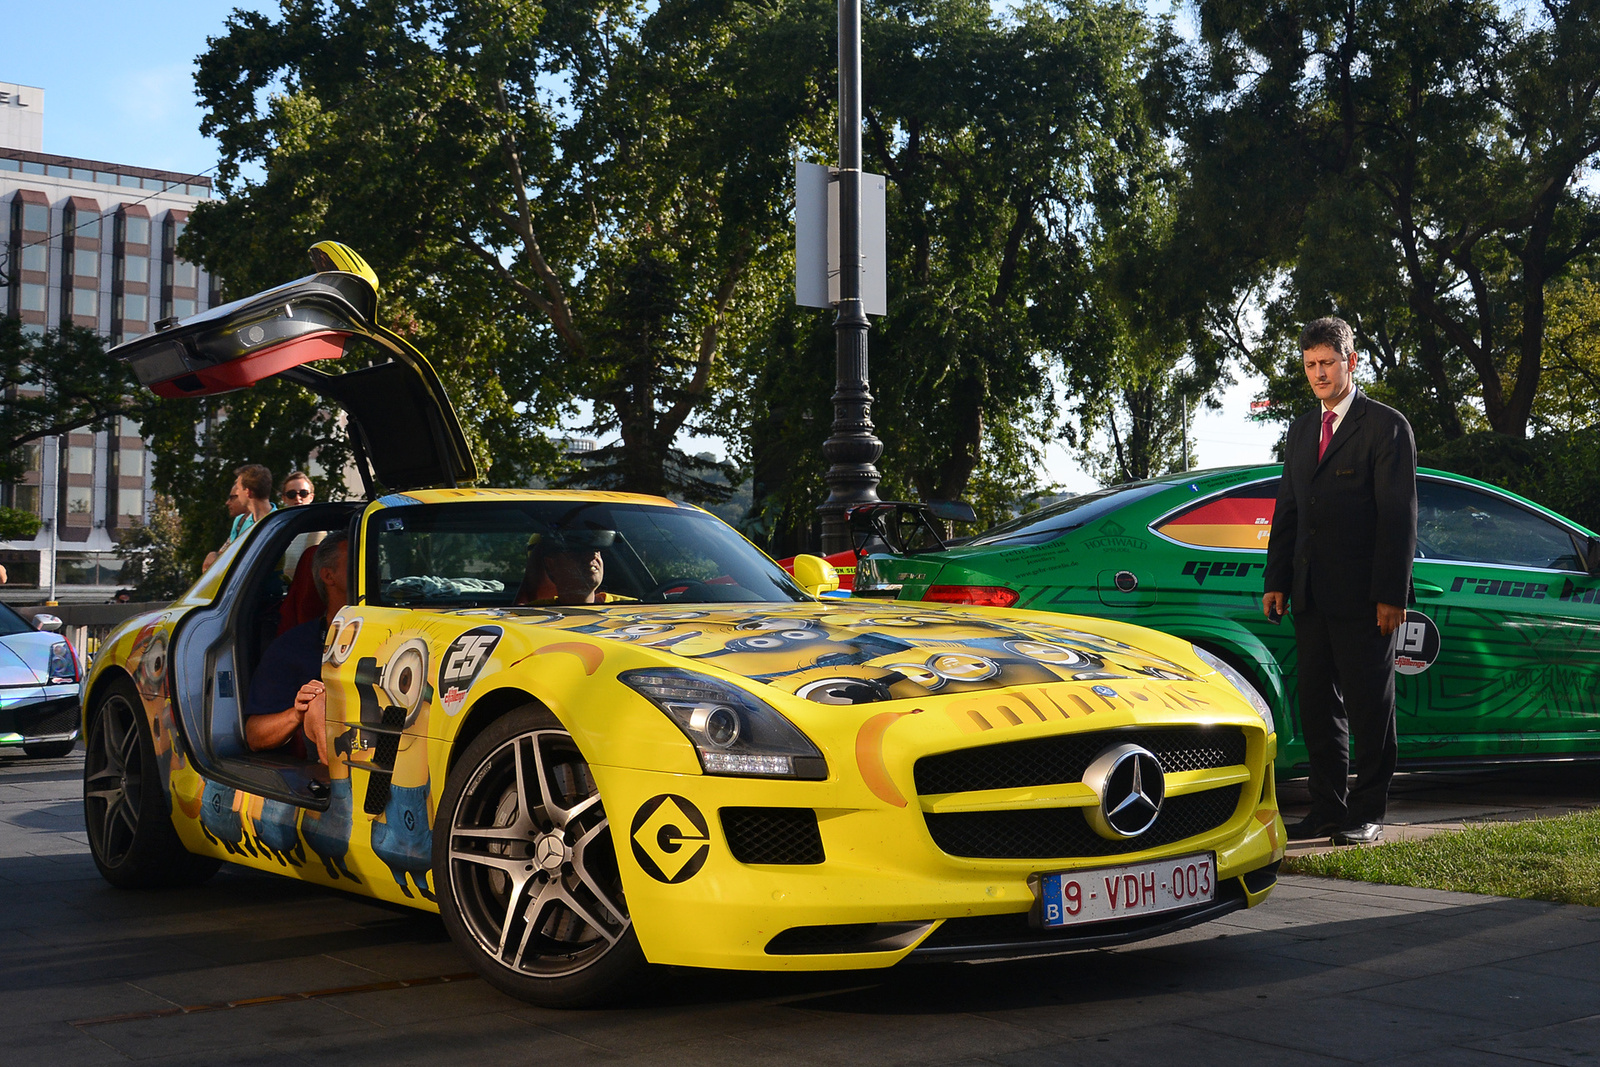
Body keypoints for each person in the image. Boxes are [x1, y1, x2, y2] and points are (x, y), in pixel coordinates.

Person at [1263, 317, 1417, 847]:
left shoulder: (1386, 427)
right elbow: (1288, 510)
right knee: (1317, 706)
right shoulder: (1302, 430)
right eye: (1310, 365)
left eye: (1328, 362)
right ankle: (1328, 808)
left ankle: (1368, 811)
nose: (1319, 373)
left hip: (1368, 600)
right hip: (1309, 595)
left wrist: (1391, 596)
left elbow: (1398, 518)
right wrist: (1276, 579)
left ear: (1352, 362)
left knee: (1371, 707)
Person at [244, 531, 348, 764]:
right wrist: (297, 713)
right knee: (319, 701)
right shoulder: (293, 646)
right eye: (356, 562)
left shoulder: (399, 635)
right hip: (324, 775)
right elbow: (254, 735)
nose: (370, 570)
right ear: (328, 575)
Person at [514, 529, 615, 605]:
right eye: (578, 550)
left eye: (597, 550)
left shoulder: (628, 609)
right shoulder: (527, 617)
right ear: (551, 565)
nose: (592, 556)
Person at [203, 464, 275, 570]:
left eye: (238, 488)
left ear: (248, 492)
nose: (236, 492)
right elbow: (227, 557)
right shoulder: (239, 522)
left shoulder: (278, 523)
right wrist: (214, 556)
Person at [277, 470, 324, 580]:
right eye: (291, 494)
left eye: (303, 493)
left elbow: (310, 567)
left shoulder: (317, 528)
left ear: (311, 497)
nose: (298, 498)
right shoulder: (278, 527)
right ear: (284, 498)